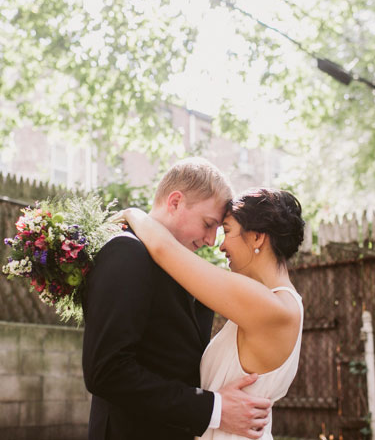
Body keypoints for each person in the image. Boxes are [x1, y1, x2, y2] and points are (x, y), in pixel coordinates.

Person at [82, 158, 272, 440]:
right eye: (208, 224)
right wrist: (213, 408)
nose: (211, 240)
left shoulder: (184, 267)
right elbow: (107, 371)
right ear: (175, 202)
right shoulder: (127, 252)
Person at [116, 187, 305, 440]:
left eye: (227, 231)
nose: (221, 245)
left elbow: (164, 249)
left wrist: (131, 213)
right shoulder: (275, 303)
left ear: (258, 237)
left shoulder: (270, 307)